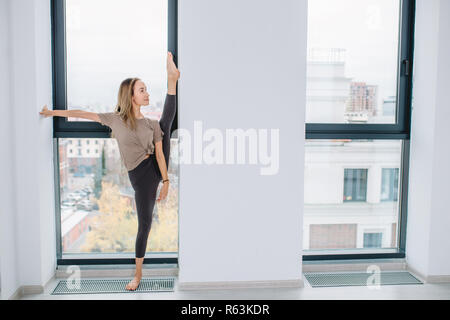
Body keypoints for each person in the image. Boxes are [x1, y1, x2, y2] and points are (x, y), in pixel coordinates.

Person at [40, 52, 180, 291]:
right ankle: (137, 275)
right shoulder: (115, 119)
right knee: (144, 224)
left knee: (165, 125)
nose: (147, 93)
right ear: (131, 96)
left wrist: (166, 181)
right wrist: (53, 113)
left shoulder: (151, 124)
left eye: (147, 89)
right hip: (140, 177)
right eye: (142, 90)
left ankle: (172, 80)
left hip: (156, 169)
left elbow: (159, 153)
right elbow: (82, 114)